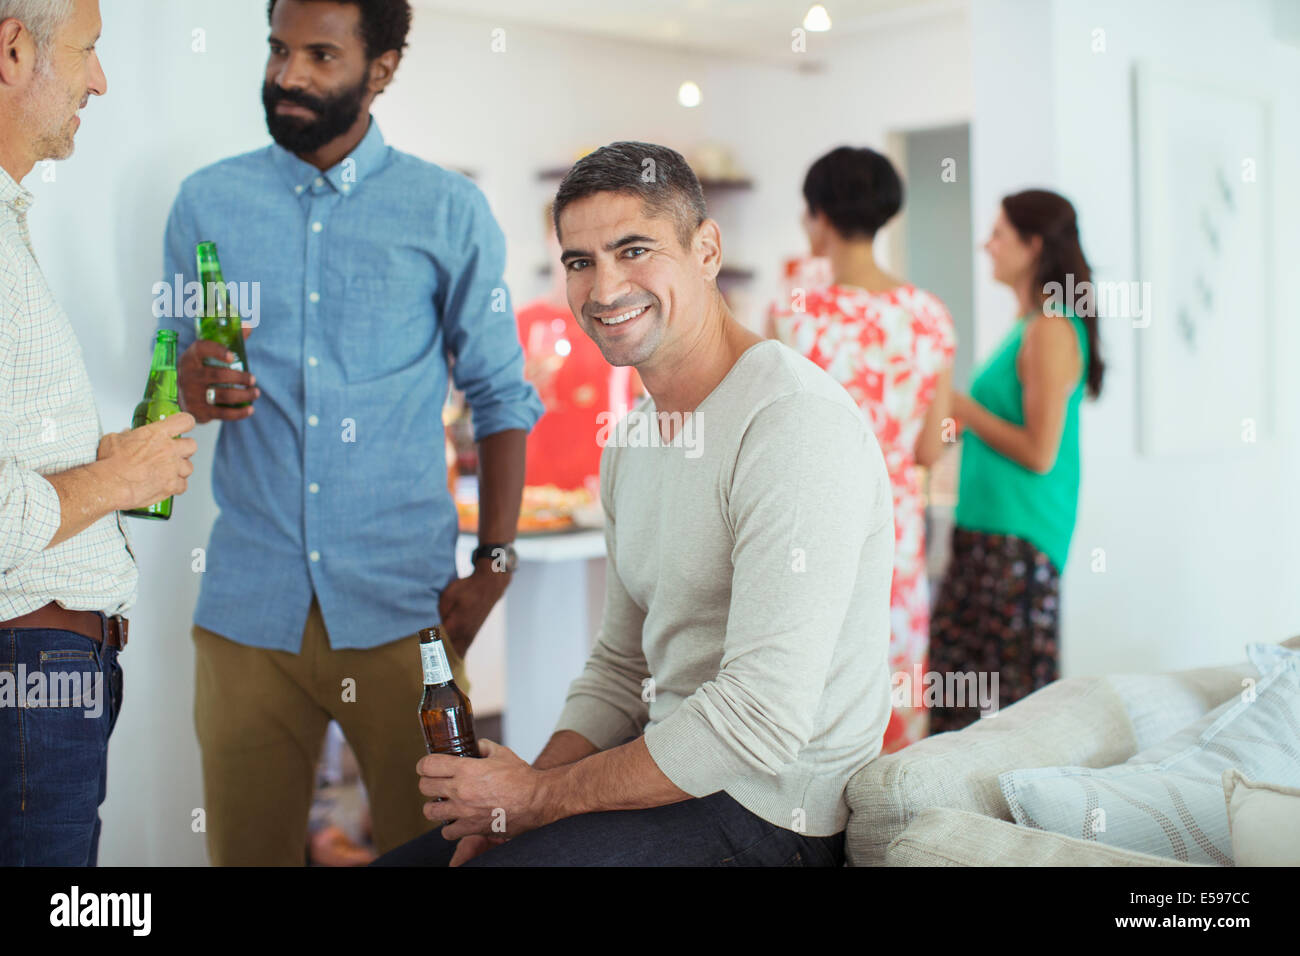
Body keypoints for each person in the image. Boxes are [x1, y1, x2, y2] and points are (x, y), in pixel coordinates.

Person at [374, 141, 895, 867]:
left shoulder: (793, 423)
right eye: (580, 261)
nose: (605, 287)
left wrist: (533, 799)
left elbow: (758, 720)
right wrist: (515, 796)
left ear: (707, 249)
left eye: (634, 249)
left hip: (773, 813)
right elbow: (621, 668)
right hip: (666, 773)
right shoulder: (632, 442)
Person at [157, 0, 542, 865]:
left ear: (384, 67)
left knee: (435, 850)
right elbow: (172, 379)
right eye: (278, 49)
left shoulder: (447, 211)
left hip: (406, 610)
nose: (288, 75)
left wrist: (496, 563)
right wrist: (185, 384)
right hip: (247, 610)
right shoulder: (206, 203)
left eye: (320, 54)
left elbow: (500, 397)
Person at [0, 0, 197, 866]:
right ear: (13, 51)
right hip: (28, 677)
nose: (100, 79)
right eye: (88, 51)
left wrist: (105, 460)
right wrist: (116, 484)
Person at [769, 146, 955, 753]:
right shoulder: (929, 316)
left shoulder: (794, 313)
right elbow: (931, 447)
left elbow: (774, 432)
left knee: (809, 692)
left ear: (820, 215)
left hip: (810, 522)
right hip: (898, 532)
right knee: (892, 689)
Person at [928, 189, 1105, 733]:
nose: (987, 245)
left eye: (998, 234)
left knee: (1003, 714)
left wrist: (966, 409)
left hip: (1017, 543)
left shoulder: (1050, 328)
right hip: (989, 536)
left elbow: (1039, 452)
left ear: (1032, 245)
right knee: (965, 698)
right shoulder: (1029, 325)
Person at [515, 200, 638, 492]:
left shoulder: (625, 318)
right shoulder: (518, 324)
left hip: (607, 486)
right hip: (535, 488)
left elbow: (652, 403)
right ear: (550, 242)